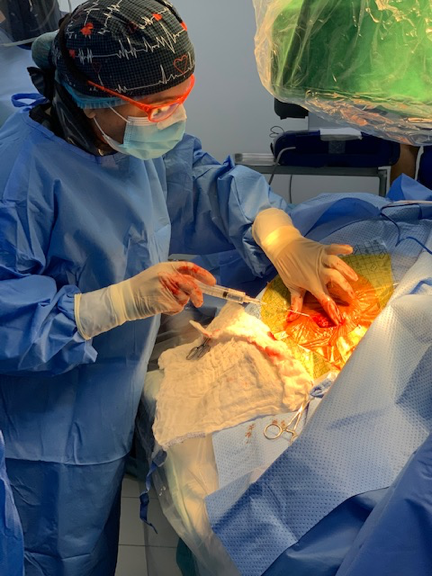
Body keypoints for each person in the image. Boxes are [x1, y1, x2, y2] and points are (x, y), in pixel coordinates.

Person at [0, 0, 357, 574]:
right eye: (153, 109)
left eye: (178, 100)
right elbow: (7, 316)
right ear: (91, 98)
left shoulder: (124, 142)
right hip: (46, 434)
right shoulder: (18, 173)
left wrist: (280, 237)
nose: (168, 120)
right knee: (56, 557)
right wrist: (118, 301)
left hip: (107, 399)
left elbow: (204, 180)